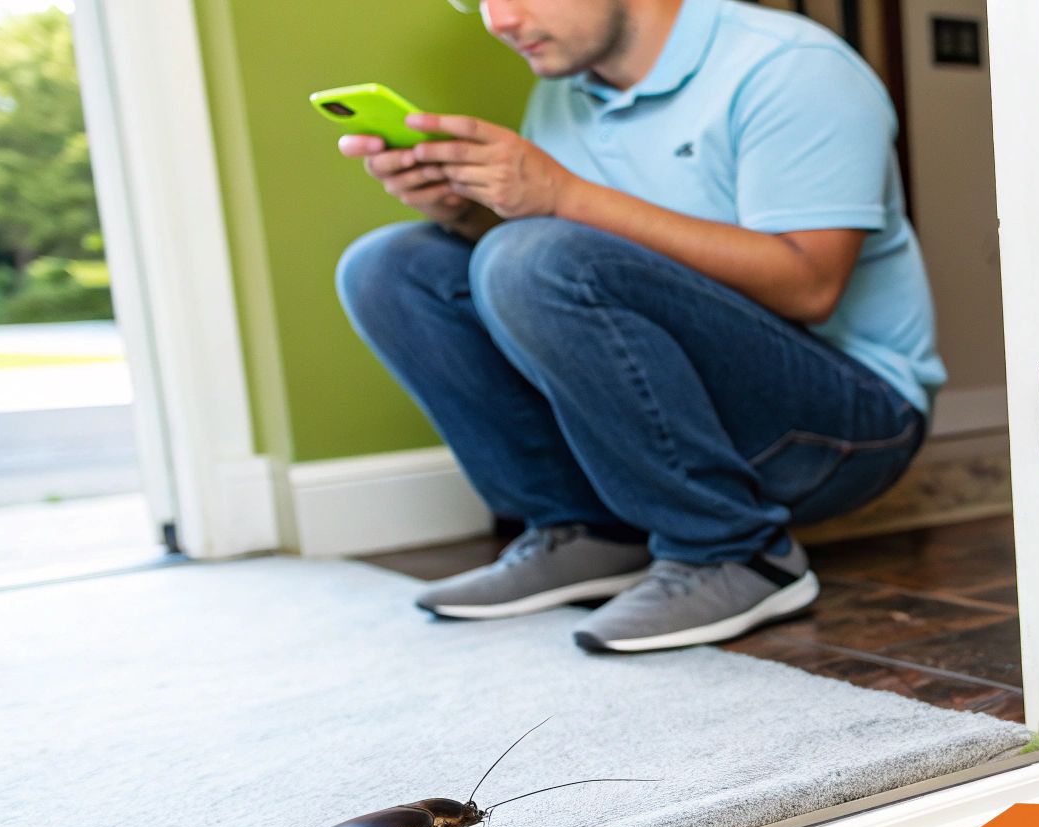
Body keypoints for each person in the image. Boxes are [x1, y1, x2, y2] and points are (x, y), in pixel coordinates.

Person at [334, 0, 942, 653]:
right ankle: (588, 532)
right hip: (681, 405)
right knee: (391, 266)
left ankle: (739, 554)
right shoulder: (567, 89)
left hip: (845, 425)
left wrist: (563, 195)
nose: (497, 20)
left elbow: (810, 284)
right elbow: (574, 277)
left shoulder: (792, 67)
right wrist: (459, 212)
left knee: (536, 254)